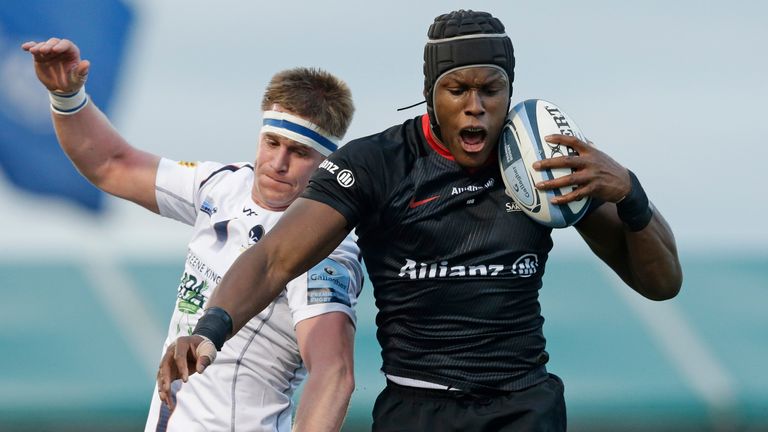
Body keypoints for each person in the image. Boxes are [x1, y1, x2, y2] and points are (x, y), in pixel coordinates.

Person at [159, 9, 683, 431]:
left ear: (509, 90)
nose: (475, 108)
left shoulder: (544, 157)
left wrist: (631, 193)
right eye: (459, 91)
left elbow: (661, 284)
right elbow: (274, 258)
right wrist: (210, 330)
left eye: (491, 91)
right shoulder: (377, 165)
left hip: (523, 407)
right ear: (432, 92)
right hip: (418, 409)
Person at [22, 38, 363, 432]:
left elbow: (332, 373)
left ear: (325, 162)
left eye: (300, 152)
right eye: (272, 143)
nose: (279, 163)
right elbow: (111, 165)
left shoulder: (325, 249)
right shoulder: (222, 186)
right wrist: (67, 96)